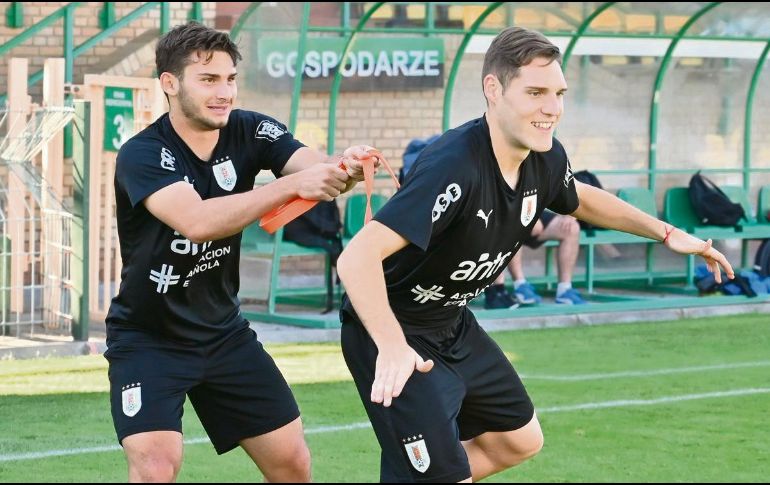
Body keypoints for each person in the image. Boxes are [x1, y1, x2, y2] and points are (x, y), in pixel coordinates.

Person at [336, 26, 733, 483]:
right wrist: (391, 346)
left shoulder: (544, 158)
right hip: (393, 330)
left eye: (559, 93)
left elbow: (578, 197)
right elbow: (356, 258)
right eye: (536, 92)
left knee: (519, 440)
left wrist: (666, 233)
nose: (552, 108)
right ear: (494, 89)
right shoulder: (453, 166)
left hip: (452, 323)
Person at [104, 22, 376, 482]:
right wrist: (291, 185)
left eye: (230, 79)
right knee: (156, 467)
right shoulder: (143, 153)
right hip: (149, 339)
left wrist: (345, 167)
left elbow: (314, 168)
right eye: (208, 80)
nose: (224, 92)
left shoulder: (251, 129)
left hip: (224, 334)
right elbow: (198, 222)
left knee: (293, 464)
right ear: (170, 83)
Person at [484, 209, 585, 308]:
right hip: (512, 212)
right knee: (517, 221)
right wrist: (530, 215)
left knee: (571, 228)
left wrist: (570, 213)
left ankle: (564, 290)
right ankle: (520, 285)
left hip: (535, 210)